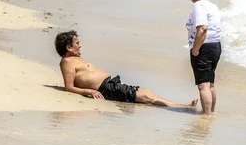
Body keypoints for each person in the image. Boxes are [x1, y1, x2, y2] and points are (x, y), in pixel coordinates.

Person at [55, 31, 197, 107]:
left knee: (147, 93)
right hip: (106, 89)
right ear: (69, 47)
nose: (80, 46)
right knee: (147, 97)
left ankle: (176, 104)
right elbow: (69, 87)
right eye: (77, 43)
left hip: (111, 85)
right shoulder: (67, 62)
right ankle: (180, 107)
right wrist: (90, 91)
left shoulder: (76, 59)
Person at [180, 0, 222, 115]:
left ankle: (207, 115)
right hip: (216, 46)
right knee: (210, 84)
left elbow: (203, 28)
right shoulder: (212, 5)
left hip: (204, 46)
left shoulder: (199, 6)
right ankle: (211, 112)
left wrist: (196, 49)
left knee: (203, 85)